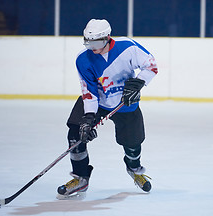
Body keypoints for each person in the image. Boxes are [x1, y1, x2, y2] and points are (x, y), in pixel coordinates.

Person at [57, 19, 158, 198]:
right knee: (76, 133)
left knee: (133, 144)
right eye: (89, 42)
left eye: (96, 42)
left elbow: (151, 66)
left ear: (108, 37)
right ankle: (80, 177)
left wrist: (138, 83)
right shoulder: (83, 59)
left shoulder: (128, 47)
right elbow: (88, 90)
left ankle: (134, 169)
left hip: (125, 103)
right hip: (97, 102)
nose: (92, 47)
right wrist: (88, 117)